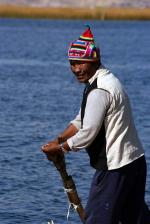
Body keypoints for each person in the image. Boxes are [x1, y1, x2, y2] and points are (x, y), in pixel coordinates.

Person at [42, 26, 150, 224]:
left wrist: (60, 149)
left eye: (80, 63)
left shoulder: (100, 89)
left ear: (93, 61)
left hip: (116, 168)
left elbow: (88, 132)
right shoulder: (102, 81)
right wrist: (60, 138)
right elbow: (82, 119)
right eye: (72, 64)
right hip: (134, 161)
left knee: (98, 219)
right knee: (135, 219)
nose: (75, 69)